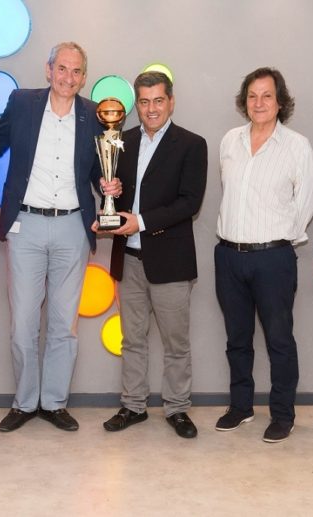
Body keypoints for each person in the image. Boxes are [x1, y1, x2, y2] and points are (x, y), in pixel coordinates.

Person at [0, 42, 119, 433]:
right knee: (23, 324)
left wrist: (109, 185)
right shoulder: (22, 103)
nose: (68, 77)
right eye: (61, 68)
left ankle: (54, 402)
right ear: (49, 70)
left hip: (72, 226)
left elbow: (100, 168)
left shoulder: (94, 115)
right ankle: (24, 402)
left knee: (64, 324)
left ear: (84, 77)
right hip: (25, 224)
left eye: (76, 71)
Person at [97, 72, 207, 439]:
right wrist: (109, 190)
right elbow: (114, 190)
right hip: (128, 259)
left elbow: (190, 202)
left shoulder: (192, 144)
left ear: (171, 102)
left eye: (158, 100)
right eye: (144, 102)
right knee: (132, 340)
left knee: (176, 343)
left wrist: (140, 222)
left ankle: (177, 408)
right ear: (137, 105)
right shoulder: (121, 141)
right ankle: (133, 405)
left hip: (171, 261)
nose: (151, 108)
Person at [214, 68, 313, 443]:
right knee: (237, 339)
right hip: (229, 256)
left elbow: (306, 204)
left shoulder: (297, 146)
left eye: (267, 95)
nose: (259, 103)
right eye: (252, 96)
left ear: (280, 101)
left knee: (279, 340)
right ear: (244, 101)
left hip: (273, 259)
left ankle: (282, 414)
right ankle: (241, 406)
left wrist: (279, 241)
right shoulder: (230, 141)